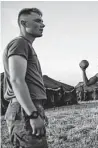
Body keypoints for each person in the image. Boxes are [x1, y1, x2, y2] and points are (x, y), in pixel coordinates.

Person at [2, 8, 48, 148]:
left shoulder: (26, 45)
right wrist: (32, 114)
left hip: (27, 107)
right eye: (37, 21)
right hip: (24, 110)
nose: (43, 24)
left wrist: (36, 111)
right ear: (23, 23)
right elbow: (17, 80)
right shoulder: (20, 43)